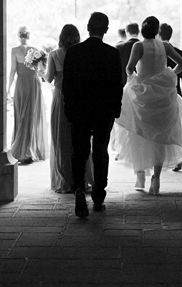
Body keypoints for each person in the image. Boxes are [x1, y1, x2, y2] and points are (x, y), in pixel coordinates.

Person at [113, 16, 182, 195]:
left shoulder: (138, 46)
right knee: (160, 135)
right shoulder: (165, 46)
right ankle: (156, 178)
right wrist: (168, 74)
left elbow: (129, 68)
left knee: (138, 132)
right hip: (162, 94)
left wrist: (135, 77)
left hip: (143, 93)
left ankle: (140, 175)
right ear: (157, 30)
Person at [62, 12, 123, 218]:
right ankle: (98, 194)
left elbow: (67, 85)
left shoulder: (74, 52)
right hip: (103, 112)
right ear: (106, 30)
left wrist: (69, 109)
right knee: (100, 151)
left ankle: (79, 189)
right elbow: (117, 85)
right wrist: (116, 109)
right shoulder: (112, 54)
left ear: (88, 28)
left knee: (79, 153)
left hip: (79, 111)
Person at [45, 24, 93, 193]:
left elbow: (49, 78)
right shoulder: (82, 53)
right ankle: (82, 179)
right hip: (79, 98)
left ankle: (65, 179)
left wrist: (40, 70)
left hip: (60, 98)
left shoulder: (54, 55)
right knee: (80, 139)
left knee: (61, 139)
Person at [7, 26, 46, 164]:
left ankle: (22, 150)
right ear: (28, 36)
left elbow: (12, 71)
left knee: (21, 115)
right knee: (31, 115)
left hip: (22, 85)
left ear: (19, 36)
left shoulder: (14, 50)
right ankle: (28, 149)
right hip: (33, 84)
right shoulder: (36, 50)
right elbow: (41, 71)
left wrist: (8, 88)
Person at [159, 22, 182, 172]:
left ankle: (164, 157)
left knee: (162, 128)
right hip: (176, 92)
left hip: (160, 94)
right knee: (176, 127)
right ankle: (178, 158)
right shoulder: (180, 53)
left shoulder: (157, 51)